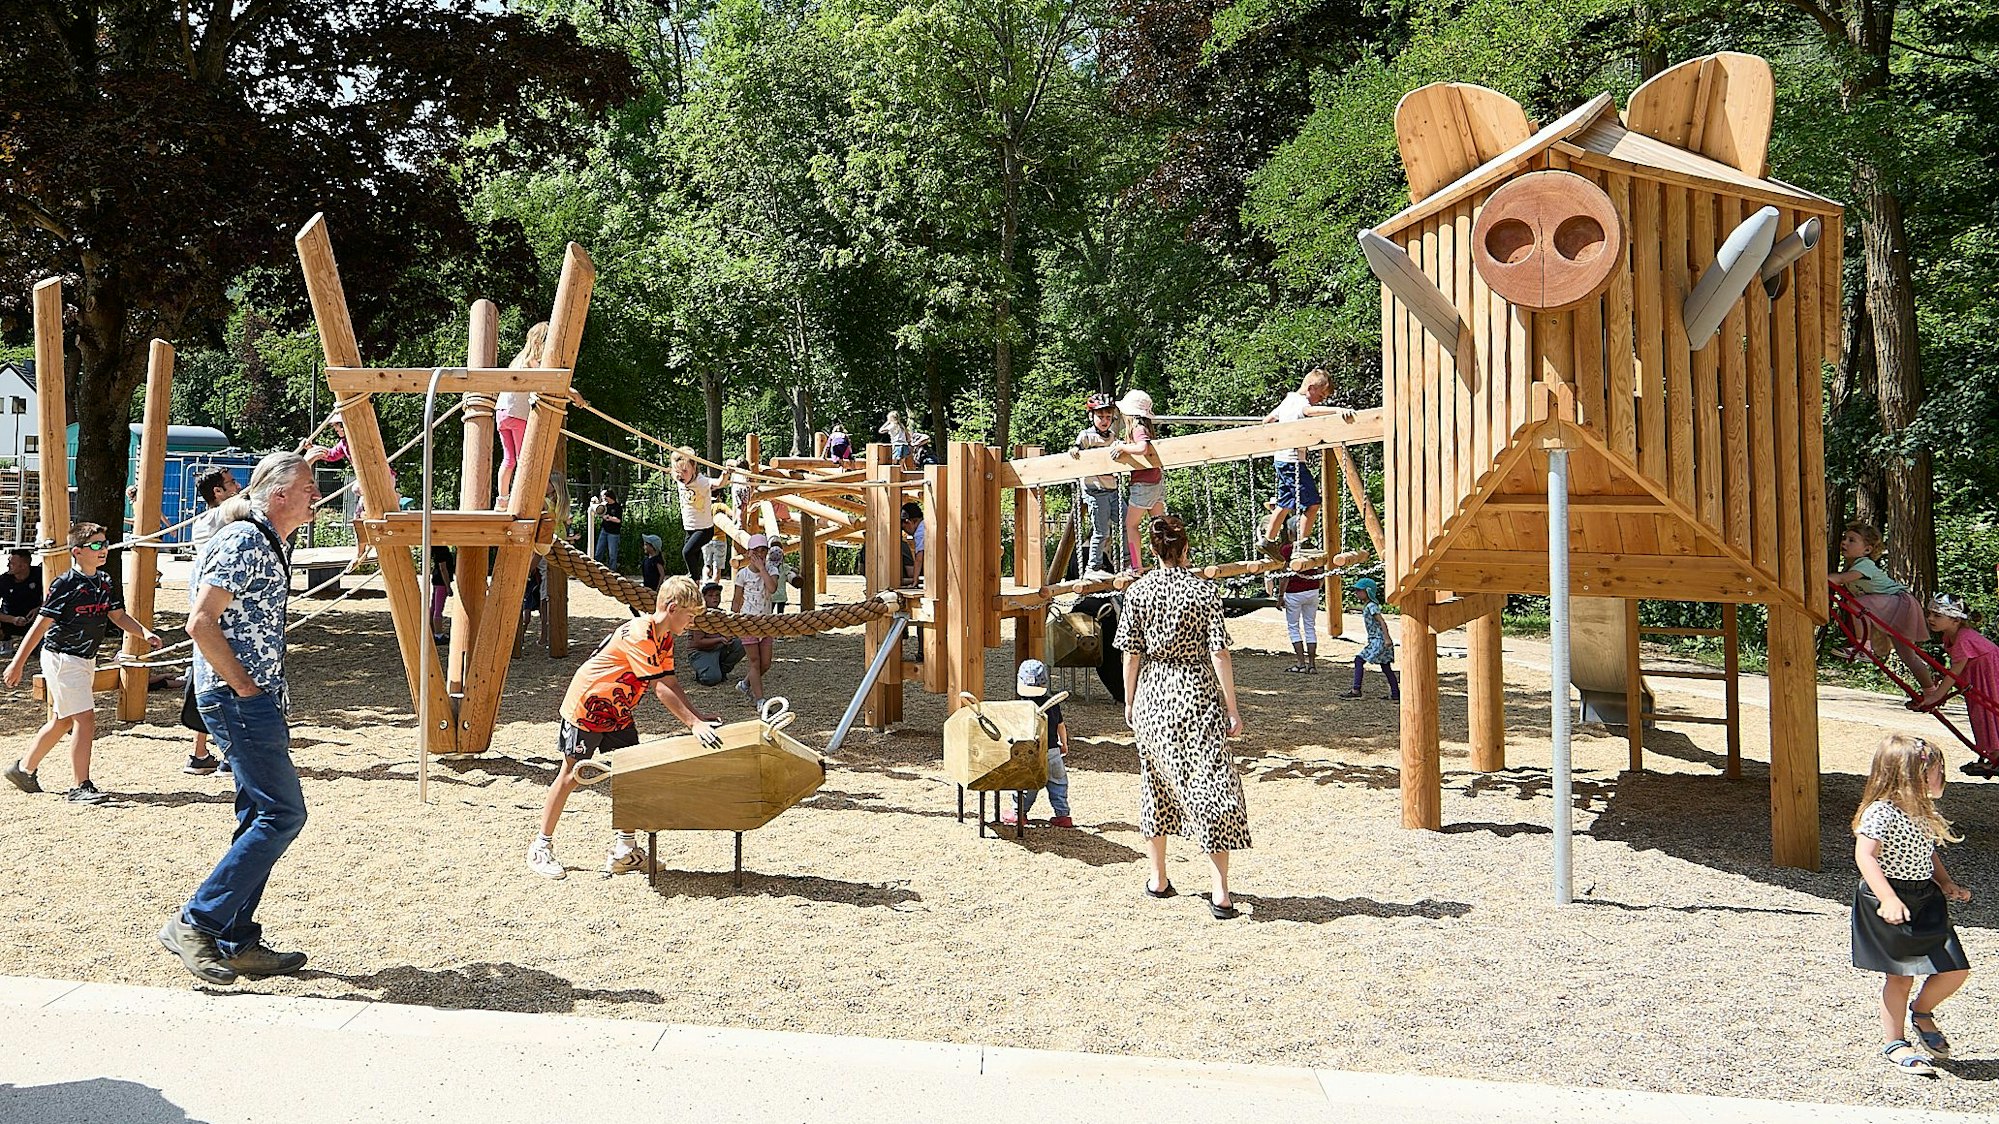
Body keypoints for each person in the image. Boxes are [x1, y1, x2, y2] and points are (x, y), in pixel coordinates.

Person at [156, 452, 320, 985]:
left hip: (257, 698)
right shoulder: (244, 540)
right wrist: (245, 688)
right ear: (278, 496)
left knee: (259, 818)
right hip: (239, 700)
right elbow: (199, 623)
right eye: (308, 487)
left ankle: (236, 940)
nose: (316, 495)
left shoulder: (270, 538)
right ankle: (196, 922)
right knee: (282, 814)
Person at [528, 575, 721, 880]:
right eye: (691, 615)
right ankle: (541, 846)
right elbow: (659, 688)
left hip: (618, 711)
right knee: (570, 776)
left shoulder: (665, 638)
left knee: (631, 774)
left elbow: (670, 681)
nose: (693, 623)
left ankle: (624, 851)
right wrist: (693, 724)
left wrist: (698, 718)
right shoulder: (640, 633)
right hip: (587, 707)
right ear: (672, 608)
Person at [1115, 514, 1248, 920]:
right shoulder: (1205, 593)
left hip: (1154, 695)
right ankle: (1220, 891)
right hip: (1196, 695)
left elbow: (1130, 651)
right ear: (1185, 549)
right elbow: (1219, 653)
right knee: (1211, 786)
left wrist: (1130, 700)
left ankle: (1158, 879)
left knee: (1154, 783)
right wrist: (1232, 707)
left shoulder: (1137, 593)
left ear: (1153, 550)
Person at [4, 524, 163, 804]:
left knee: (62, 720)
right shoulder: (65, 583)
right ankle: (80, 786)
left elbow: (117, 615)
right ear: (76, 552)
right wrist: (17, 663)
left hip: (85, 658)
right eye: (94, 545)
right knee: (85, 719)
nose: (102, 549)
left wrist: (144, 632)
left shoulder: (105, 580)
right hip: (62, 658)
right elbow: (41, 625)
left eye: (104, 543)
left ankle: (23, 769)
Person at [1850, 734, 1972, 1077]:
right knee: (1900, 976)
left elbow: (1926, 852)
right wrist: (1887, 897)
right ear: (1910, 776)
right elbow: (1865, 855)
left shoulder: (1922, 812)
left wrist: (1945, 882)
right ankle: (1895, 1042)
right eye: (1937, 770)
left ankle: (1922, 1011)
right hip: (1891, 898)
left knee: (1955, 969)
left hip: (1925, 897)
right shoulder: (1881, 813)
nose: (1941, 776)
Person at [1829, 523, 1935, 693]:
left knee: (1857, 604)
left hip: (1898, 603)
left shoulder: (1864, 564)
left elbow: (1841, 579)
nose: (1844, 543)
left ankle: (1863, 647)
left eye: (1851, 540)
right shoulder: (1853, 565)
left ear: (1867, 550)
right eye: (1844, 538)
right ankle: (1931, 690)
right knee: (1907, 655)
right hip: (1892, 606)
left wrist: (1817, 576)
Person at [1257, 368, 1345, 558]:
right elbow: (1309, 411)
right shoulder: (1300, 403)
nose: (1321, 401)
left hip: (1281, 458)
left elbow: (1268, 420)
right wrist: (1337, 410)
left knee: (1284, 503)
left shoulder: (1288, 400)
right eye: (1320, 396)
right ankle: (1302, 544)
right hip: (1292, 461)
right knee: (1313, 504)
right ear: (1310, 388)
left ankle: (1267, 541)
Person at [1914, 595, 1999, 776]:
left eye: (1937, 615)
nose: (1930, 618)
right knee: (1980, 711)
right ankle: (1993, 755)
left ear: (1956, 620)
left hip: (1988, 674)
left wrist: (1936, 697)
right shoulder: (1950, 636)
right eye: (1930, 614)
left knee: (1989, 710)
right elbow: (1955, 671)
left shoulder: (1964, 638)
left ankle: (1996, 756)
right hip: (1977, 674)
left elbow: (1955, 670)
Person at [999, 659, 1073, 829]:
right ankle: (1063, 815)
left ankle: (1019, 814)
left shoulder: (1021, 706)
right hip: (1053, 751)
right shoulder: (1052, 705)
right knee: (1058, 784)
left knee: (1027, 783)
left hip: (1030, 753)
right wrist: (1064, 743)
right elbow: (1060, 725)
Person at [494, 322, 549, 507]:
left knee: (509, 459)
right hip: (518, 415)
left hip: (501, 412)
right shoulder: (533, 362)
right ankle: (520, 499)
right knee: (523, 458)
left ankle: (502, 500)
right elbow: (544, 383)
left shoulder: (517, 360)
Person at [1071, 393, 1124, 575]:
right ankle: (1094, 565)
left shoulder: (1112, 437)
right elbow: (1076, 448)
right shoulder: (1087, 436)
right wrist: (1075, 451)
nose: (1104, 421)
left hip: (1112, 490)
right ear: (1091, 417)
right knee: (1102, 531)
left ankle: (1129, 560)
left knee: (1128, 524)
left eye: (1108, 417)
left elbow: (1119, 449)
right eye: (1100, 417)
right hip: (1096, 490)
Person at [1113, 390, 1165, 571]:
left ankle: (1136, 565)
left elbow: (1143, 447)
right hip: (1156, 482)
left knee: (1131, 525)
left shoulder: (1138, 428)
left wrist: (1123, 447)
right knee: (1159, 524)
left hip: (1143, 485)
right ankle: (1166, 562)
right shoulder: (1147, 428)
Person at [731, 534, 779, 709]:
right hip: (748, 622)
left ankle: (745, 684)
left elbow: (772, 588)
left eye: (763, 551)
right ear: (749, 552)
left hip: (766, 623)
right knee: (754, 661)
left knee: (765, 663)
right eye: (756, 551)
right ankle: (760, 700)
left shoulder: (772, 570)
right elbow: (736, 600)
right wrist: (733, 621)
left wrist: (762, 568)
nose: (760, 554)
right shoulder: (743, 574)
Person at [671, 450, 727, 578]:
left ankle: (693, 578)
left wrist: (725, 474)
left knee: (687, 552)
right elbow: (675, 465)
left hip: (704, 529)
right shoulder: (679, 480)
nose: (681, 476)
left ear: (694, 468)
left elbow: (719, 483)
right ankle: (695, 584)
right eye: (678, 472)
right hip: (689, 528)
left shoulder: (702, 481)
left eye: (685, 471)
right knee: (693, 560)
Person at [1275, 533, 1325, 674]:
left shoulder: (1287, 550)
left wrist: (1280, 596)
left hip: (1294, 593)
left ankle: (1301, 663)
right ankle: (1312, 665)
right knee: (1310, 627)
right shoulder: (1313, 548)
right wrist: (1318, 585)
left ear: (1290, 533)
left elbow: (1284, 576)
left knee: (1293, 627)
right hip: (1312, 590)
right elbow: (1321, 570)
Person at [1342, 577, 1399, 700]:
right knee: (1386, 666)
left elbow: (1382, 621)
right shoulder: (1369, 605)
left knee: (1359, 660)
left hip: (1378, 640)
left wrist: (1387, 638)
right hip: (1379, 640)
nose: (1356, 593)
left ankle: (1356, 689)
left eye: (1359, 590)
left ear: (1367, 591)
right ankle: (1395, 693)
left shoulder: (1372, 606)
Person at [687, 581, 745, 687]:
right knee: (710, 679)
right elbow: (698, 642)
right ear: (704, 598)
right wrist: (720, 639)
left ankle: (720, 670)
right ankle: (705, 672)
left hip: (719, 648)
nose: (715, 598)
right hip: (701, 652)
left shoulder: (721, 614)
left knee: (742, 643)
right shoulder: (699, 616)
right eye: (710, 595)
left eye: (717, 595)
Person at [0, 547, 44, 654]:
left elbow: (54, 597)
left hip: (35, 619)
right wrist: (12, 619)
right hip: (9, 620)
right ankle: (6, 642)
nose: (8, 566)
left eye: (11, 563)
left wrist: (40, 608)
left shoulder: (40, 575)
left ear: (23, 566)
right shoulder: (3, 581)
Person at [190, 467, 242, 551]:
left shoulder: (199, 523)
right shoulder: (224, 515)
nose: (238, 486)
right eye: (232, 483)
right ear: (218, 491)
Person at [591, 488, 624, 570]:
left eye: (604, 497)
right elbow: (599, 511)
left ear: (609, 497)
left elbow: (619, 520)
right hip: (604, 531)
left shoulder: (617, 507)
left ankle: (613, 570)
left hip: (613, 533)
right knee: (598, 551)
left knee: (612, 554)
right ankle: (595, 568)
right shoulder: (605, 505)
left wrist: (610, 518)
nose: (603, 499)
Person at [429, 544, 455, 642]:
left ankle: (432, 632)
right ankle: (438, 635)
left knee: (433, 607)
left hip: (436, 580)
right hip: (441, 582)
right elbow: (443, 569)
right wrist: (448, 586)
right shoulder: (442, 550)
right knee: (438, 609)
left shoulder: (435, 549)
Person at [899, 501, 926, 585]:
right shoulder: (926, 525)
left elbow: (919, 557)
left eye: (904, 528)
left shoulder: (920, 532)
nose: (906, 532)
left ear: (909, 522)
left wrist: (915, 580)